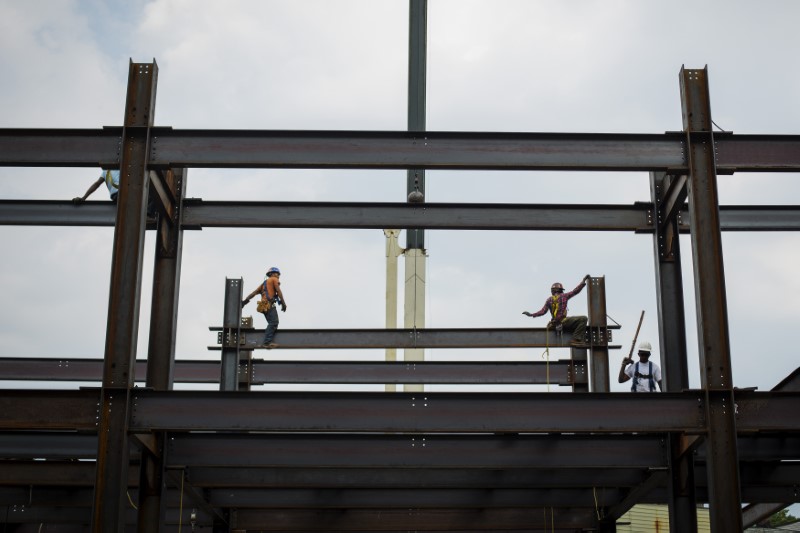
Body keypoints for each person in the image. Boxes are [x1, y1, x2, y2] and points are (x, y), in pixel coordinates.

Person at [522, 274, 591, 347]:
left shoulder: (549, 300)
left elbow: (542, 312)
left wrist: (531, 314)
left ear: (552, 291)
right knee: (583, 319)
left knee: (573, 321)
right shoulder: (564, 296)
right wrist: (583, 281)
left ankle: (572, 334)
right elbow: (575, 291)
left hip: (554, 324)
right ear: (560, 290)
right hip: (563, 322)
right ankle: (576, 339)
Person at [242, 267, 287, 349]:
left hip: (263, 306)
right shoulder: (274, 279)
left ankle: (268, 340)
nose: (278, 276)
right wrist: (283, 303)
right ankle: (267, 342)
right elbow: (279, 291)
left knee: (272, 323)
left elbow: (254, 293)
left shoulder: (264, 284)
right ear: (272, 274)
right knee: (274, 322)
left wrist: (244, 302)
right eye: (277, 274)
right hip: (269, 304)